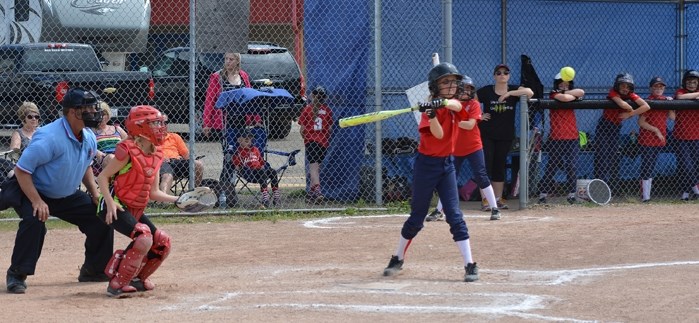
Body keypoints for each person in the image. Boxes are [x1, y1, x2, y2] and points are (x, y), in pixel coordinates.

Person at [5, 87, 114, 294]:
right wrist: (37, 201)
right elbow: (21, 171)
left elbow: (86, 164)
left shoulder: (88, 136)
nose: (94, 112)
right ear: (73, 112)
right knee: (34, 220)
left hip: (65, 193)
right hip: (33, 189)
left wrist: (94, 193)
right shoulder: (49, 137)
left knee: (99, 216)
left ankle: (93, 270)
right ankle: (17, 274)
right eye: (88, 108)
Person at [383, 62, 479, 282]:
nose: (452, 85)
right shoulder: (428, 110)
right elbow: (438, 134)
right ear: (435, 86)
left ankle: (470, 264)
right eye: (446, 82)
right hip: (426, 166)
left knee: (455, 216)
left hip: (447, 166)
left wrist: (442, 102)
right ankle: (397, 257)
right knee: (417, 218)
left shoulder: (456, 103)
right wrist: (432, 113)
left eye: (453, 82)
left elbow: (456, 106)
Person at [96, 105, 176, 297]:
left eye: (160, 123)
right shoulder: (127, 150)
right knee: (143, 235)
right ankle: (117, 283)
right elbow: (103, 177)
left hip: (136, 208)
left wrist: (180, 199)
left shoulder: (156, 153)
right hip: (114, 204)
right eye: (154, 123)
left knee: (162, 242)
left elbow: (154, 193)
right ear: (140, 126)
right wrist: (109, 202)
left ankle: (138, 278)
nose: (160, 127)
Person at [426, 77, 502, 221]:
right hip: (454, 147)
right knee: (449, 179)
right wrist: (436, 106)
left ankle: (494, 208)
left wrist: (453, 120)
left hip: (473, 146)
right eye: (463, 88)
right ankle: (439, 210)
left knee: (481, 175)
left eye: (469, 88)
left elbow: (470, 125)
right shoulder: (450, 104)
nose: (466, 91)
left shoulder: (474, 104)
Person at [476, 64, 534, 211]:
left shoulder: (514, 90)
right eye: (499, 73)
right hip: (487, 134)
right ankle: (485, 200)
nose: (502, 75)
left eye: (505, 73)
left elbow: (530, 92)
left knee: (499, 166)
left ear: (508, 76)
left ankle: (497, 199)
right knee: (486, 165)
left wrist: (509, 94)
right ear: (494, 76)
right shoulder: (487, 91)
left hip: (505, 135)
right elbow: (471, 100)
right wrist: (478, 116)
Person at [593, 73, 650, 188]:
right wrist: (630, 108)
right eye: (622, 86)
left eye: (627, 86)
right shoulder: (613, 92)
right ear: (617, 86)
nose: (625, 89)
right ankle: (599, 184)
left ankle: (612, 185)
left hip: (615, 128)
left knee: (613, 156)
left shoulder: (631, 95)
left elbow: (646, 106)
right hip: (604, 126)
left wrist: (631, 113)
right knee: (602, 156)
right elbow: (621, 103)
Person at [538, 72, 585, 204]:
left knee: (571, 166)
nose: (564, 86)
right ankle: (543, 194)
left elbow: (581, 92)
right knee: (552, 166)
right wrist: (572, 96)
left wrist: (571, 94)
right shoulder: (553, 93)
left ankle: (571, 194)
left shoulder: (572, 92)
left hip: (572, 138)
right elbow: (563, 98)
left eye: (567, 84)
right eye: (561, 84)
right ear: (556, 84)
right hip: (557, 138)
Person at [637, 77, 675, 202]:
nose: (659, 89)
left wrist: (670, 104)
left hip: (659, 138)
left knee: (652, 165)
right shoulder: (648, 101)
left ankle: (647, 195)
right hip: (648, 138)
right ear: (651, 88)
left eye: (661, 87)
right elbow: (641, 122)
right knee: (647, 165)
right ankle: (645, 196)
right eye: (656, 87)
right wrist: (656, 130)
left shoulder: (665, 100)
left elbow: (672, 117)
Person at [202, 52, 253, 143]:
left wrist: (256, 119)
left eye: (231, 59)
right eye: (226, 59)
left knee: (242, 149)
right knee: (229, 148)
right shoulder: (217, 77)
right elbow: (209, 101)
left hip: (242, 118)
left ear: (237, 61)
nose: (228, 62)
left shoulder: (243, 76)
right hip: (226, 119)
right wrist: (207, 123)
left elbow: (250, 97)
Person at [298, 86, 333, 204]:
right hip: (323, 143)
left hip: (311, 142)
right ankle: (312, 194)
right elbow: (329, 129)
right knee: (317, 168)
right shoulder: (327, 110)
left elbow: (302, 130)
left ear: (312, 96)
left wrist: (306, 136)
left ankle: (317, 191)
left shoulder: (308, 109)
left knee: (313, 169)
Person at [232, 129, 280, 207]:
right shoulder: (238, 152)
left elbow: (262, 162)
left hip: (260, 171)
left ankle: (276, 195)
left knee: (273, 172)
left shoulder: (255, 149)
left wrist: (264, 167)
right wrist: (239, 169)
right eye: (245, 138)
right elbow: (237, 166)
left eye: (250, 138)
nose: (248, 140)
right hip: (249, 173)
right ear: (239, 140)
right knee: (261, 172)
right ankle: (265, 197)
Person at [159, 114, 204, 193]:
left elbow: (187, 156)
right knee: (167, 175)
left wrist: (188, 159)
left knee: (198, 164)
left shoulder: (175, 137)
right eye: (159, 122)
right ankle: (162, 202)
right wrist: (160, 158)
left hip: (176, 162)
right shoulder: (149, 139)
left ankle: (194, 194)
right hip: (161, 164)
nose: (163, 125)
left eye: (165, 122)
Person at [672, 69, 699, 201]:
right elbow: (680, 98)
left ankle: (686, 193)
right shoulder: (680, 91)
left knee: (691, 166)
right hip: (681, 136)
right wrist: (696, 95)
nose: (691, 84)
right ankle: (697, 189)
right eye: (689, 82)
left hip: (696, 136)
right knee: (686, 165)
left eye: (694, 82)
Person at [92, 101, 128, 171]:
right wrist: (97, 152)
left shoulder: (117, 128)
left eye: (103, 114)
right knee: (111, 158)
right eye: (98, 114)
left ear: (108, 115)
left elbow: (129, 140)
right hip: (103, 158)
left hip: (121, 156)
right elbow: (88, 147)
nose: (101, 116)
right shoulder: (90, 132)